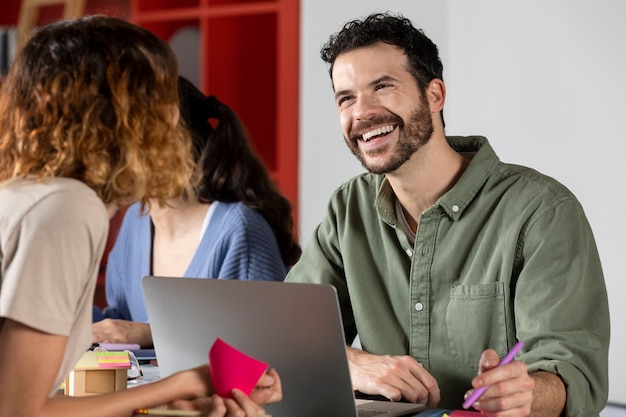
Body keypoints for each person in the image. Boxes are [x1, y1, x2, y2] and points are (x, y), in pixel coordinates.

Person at [285, 12, 609, 417]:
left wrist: (529, 392)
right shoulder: (347, 210)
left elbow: (575, 372)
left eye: (382, 87)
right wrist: (353, 363)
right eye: (346, 97)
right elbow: (285, 334)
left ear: (435, 95)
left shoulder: (541, 211)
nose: (362, 113)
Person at [0, 15, 281, 417]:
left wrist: (171, 395)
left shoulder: (34, 196)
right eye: (160, 98)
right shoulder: (68, 209)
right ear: (122, 116)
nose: (173, 118)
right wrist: (180, 384)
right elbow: (19, 412)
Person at [92, 76, 301, 347]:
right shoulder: (135, 220)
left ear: (167, 120)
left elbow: (265, 348)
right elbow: (123, 327)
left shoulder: (240, 232)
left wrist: (153, 334)